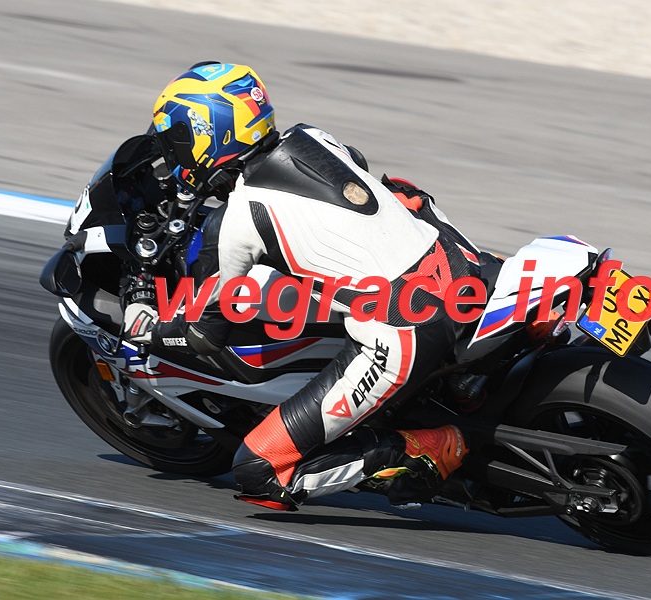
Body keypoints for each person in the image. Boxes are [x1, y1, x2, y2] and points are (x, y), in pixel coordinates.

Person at [124, 62, 484, 511]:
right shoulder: (313, 137)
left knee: (257, 470)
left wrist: (147, 329)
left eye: (175, 140)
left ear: (203, 137)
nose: (173, 153)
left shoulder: (236, 221)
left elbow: (203, 333)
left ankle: (419, 448)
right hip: (464, 272)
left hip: (405, 331)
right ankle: (464, 391)